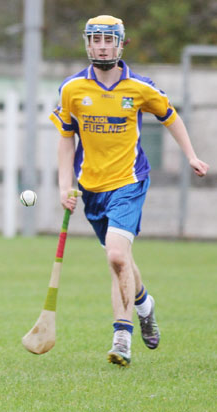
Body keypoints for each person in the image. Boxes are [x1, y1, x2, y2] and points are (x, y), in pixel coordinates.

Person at [50, 15, 208, 367]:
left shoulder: (139, 87)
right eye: (95, 39)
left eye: (109, 39)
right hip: (91, 187)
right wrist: (65, 184)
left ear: (122, 44)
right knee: (123, 261)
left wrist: (191, 156)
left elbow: (170, 115)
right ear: (87, 43)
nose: (102, 46)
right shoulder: (72, 89)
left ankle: (122, 336)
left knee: (116, 257)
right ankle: (145, 305)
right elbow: (65, 138)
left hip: (129, 182)